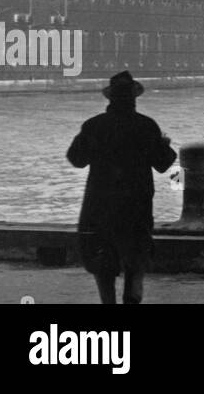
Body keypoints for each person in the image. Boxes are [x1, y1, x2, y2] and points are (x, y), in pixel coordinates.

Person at [67, 70, 177, 304]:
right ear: (134, 98)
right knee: (136, 260)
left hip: (100, 205)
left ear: (110, 98)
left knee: (102, 261)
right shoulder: (146, 126)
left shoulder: (94, 125)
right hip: (136, 204)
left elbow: (76, 159)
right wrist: (165, 144)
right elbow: (163, 164)